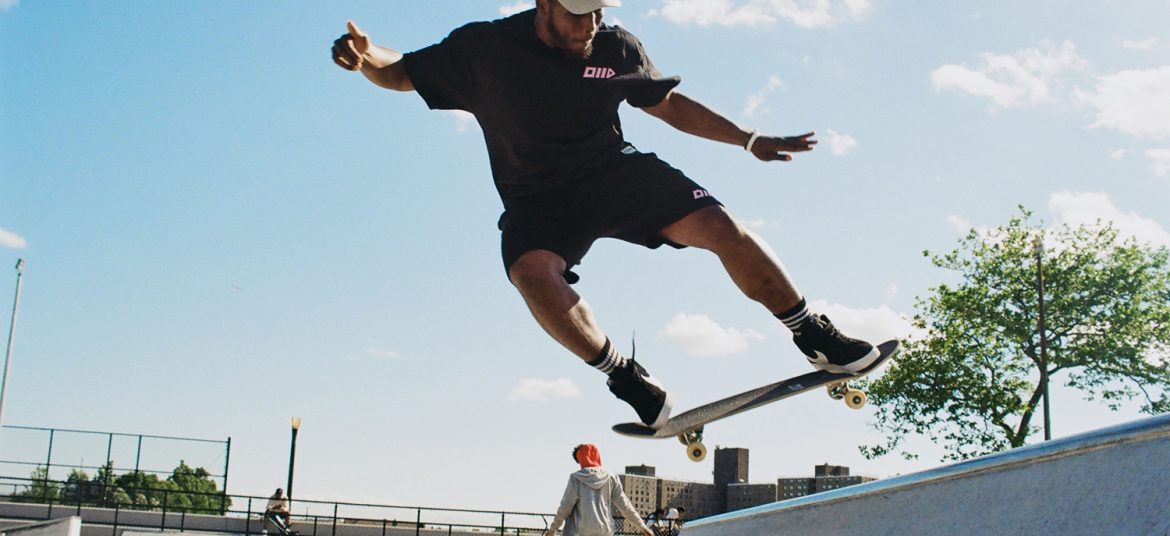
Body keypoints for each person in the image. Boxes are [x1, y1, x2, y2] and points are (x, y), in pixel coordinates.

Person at [331, 0, 882, 429]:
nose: (589, 24)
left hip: (615, 174)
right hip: (538, 199)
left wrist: (748, 138)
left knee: (722, 228)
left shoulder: (615, 46)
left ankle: (812, 333)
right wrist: (367, 55)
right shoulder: (484, 49)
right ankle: (625, 375)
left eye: (597, 10)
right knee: (529, 274)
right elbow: (400, 72)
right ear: (544, 4)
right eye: (577, 13)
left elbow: (668, 104)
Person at [545, 444, 653, 536]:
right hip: (605, 532)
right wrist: (643, 527)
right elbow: (625, 506)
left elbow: (565, 508)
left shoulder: (576, 479)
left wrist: (552, 529)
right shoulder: (611, 478)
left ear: (580, 459)